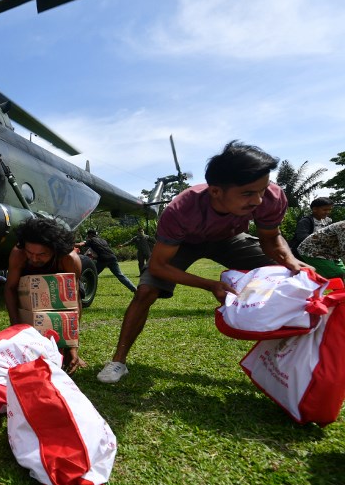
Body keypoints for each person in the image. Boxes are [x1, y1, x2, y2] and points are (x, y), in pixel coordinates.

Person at [96, 140, 307, 384]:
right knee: (145, 290)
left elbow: (270, 239)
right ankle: (118, 361)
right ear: (216, 191)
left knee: (295, 279)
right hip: (184, 243)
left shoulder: (271, 196)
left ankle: (291, 363)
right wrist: (210, 284)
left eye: (262, 190)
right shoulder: (181, 209)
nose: (258, 200)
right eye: (248, 193)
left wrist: (291, 261)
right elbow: (158, 266)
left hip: (230, 238)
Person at [4, 217, 84, 374]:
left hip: (58, 292)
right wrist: (16, 329)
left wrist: (72, 344)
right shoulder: (19, 254)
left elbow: (74, 301)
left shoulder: (69, 260)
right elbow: (10, 289)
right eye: (30, 252)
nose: (33, 258)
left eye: (41, 254)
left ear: (55, 250)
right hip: (28, 295)